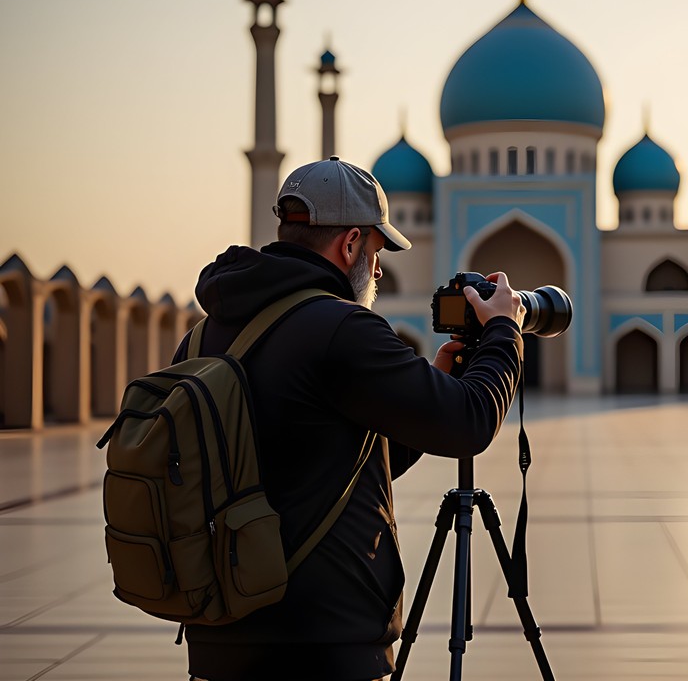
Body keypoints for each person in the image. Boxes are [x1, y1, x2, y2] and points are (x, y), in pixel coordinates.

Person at [177, 156, 524, 681]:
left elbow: (338, 461)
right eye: (377, 251)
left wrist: (431, 382)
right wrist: (504, 332)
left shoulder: (205, 334)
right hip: (323, 643)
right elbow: (471, 423)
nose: (379, 270)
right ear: (350, 244)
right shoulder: (342, 328)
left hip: (219, 632)